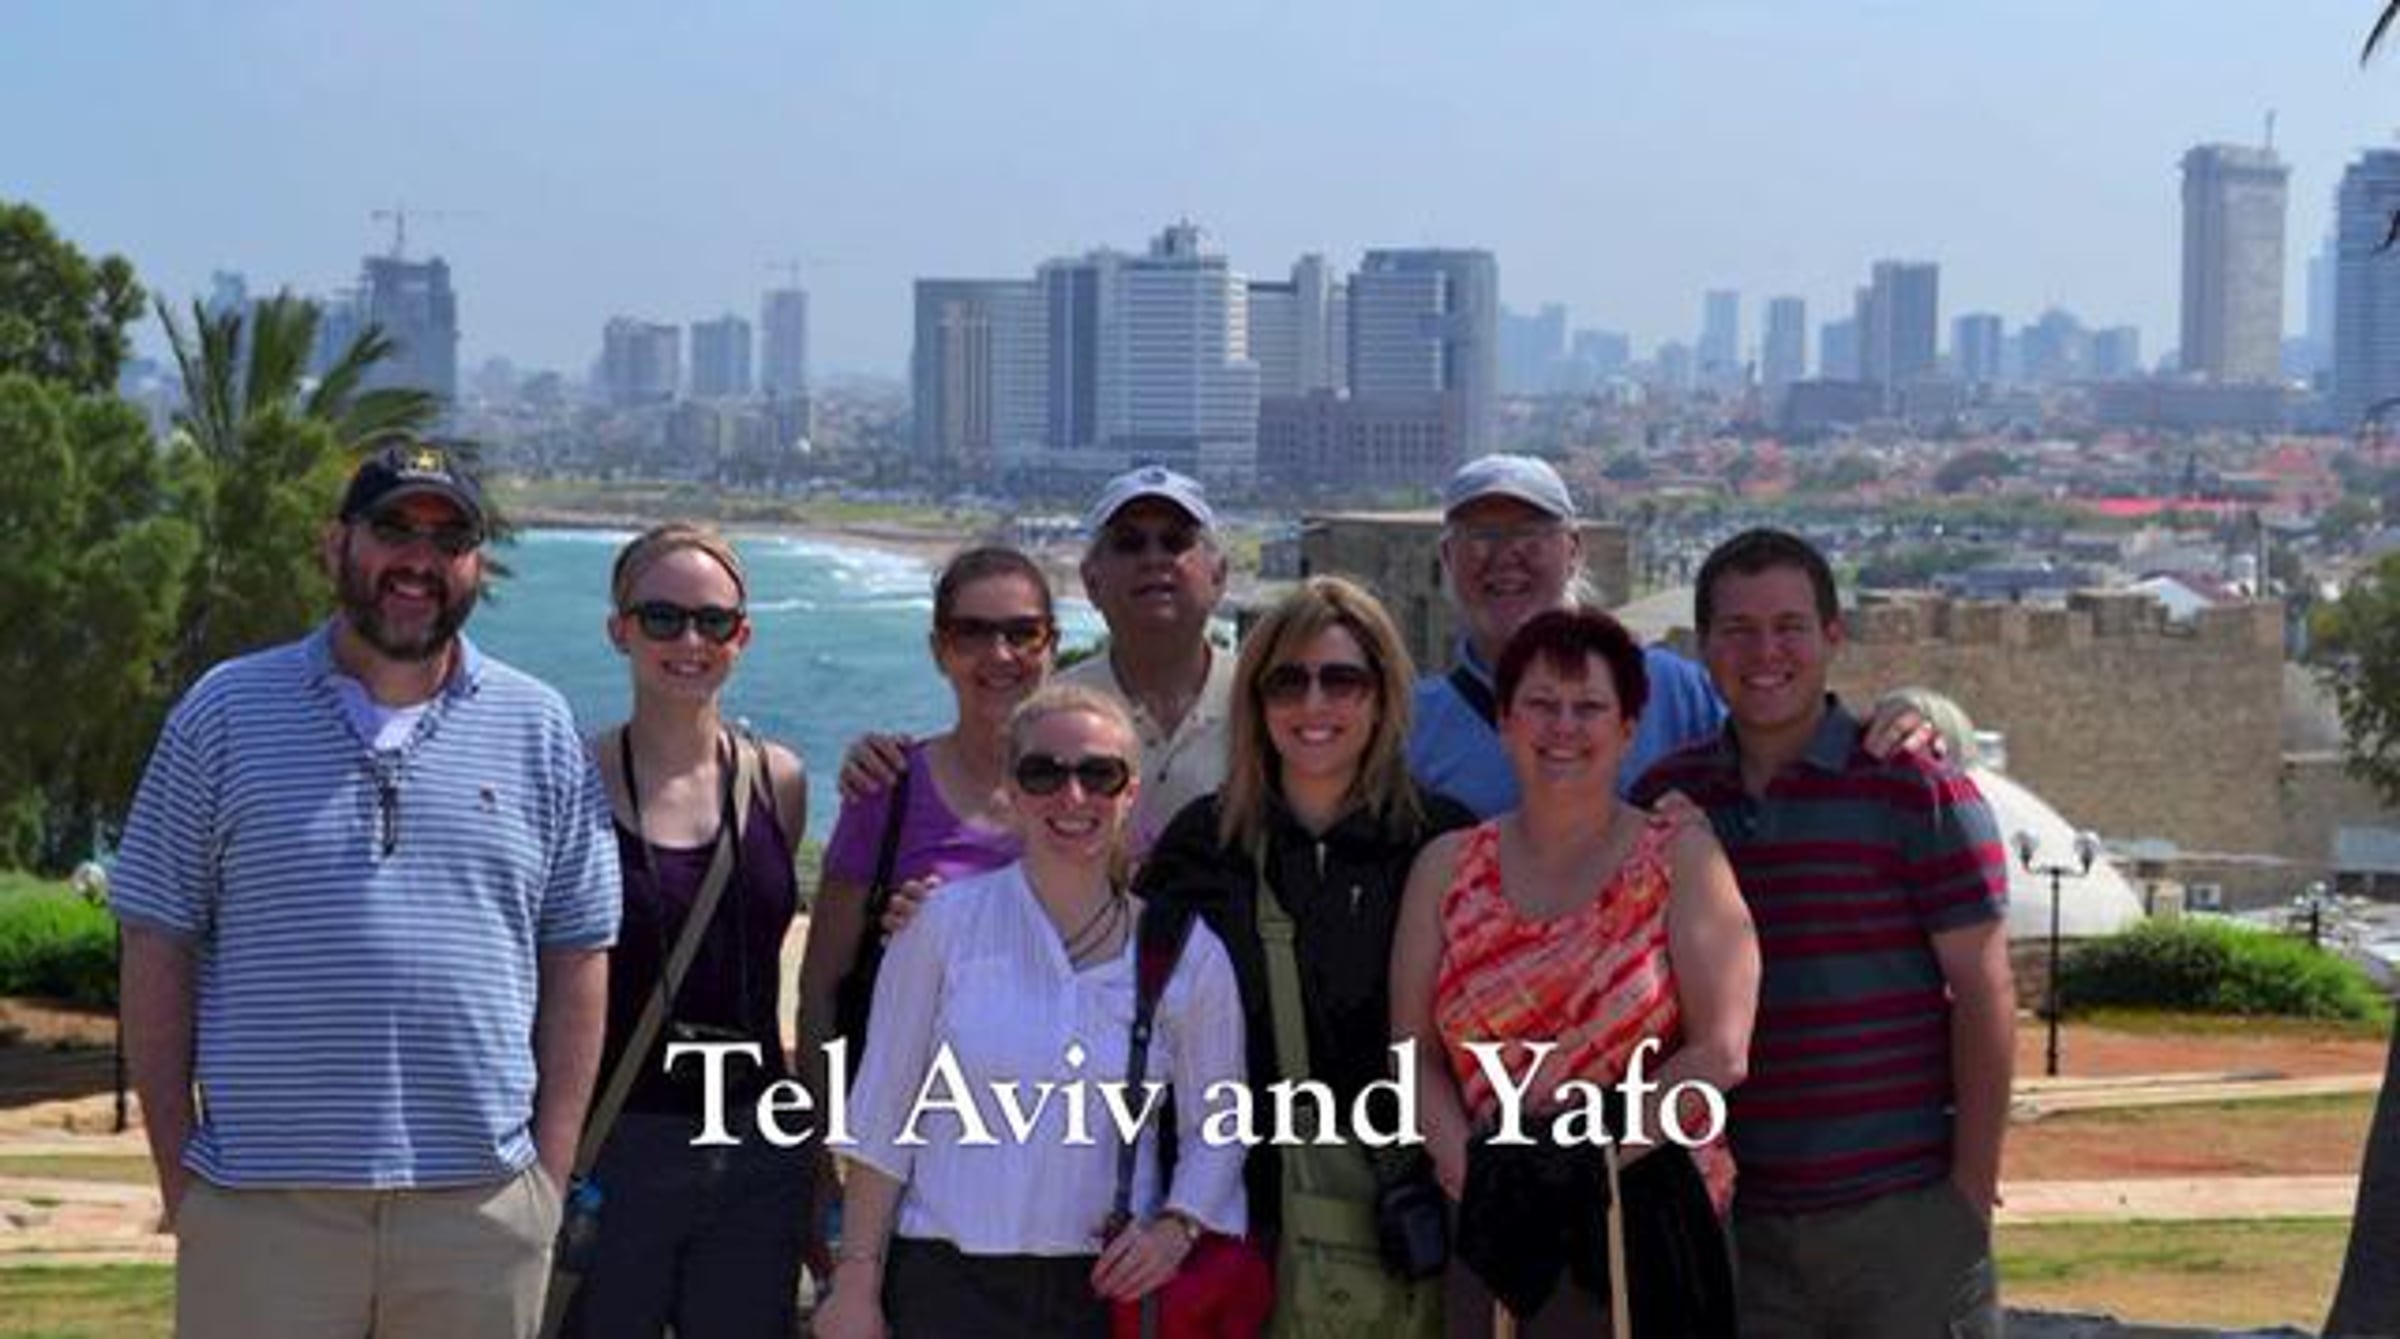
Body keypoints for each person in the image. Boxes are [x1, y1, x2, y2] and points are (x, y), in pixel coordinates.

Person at [111, 442, 619, 1339]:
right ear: (335, 543)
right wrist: (180, 1179)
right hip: (263, 1211)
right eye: (394, 528)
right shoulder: (224, 712)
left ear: (476, 564)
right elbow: (157, 939)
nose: (419, 559)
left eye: (449, 538)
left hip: (479, 1214)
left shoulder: (538, 726)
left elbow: (578, 951)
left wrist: (545, 1178)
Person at [1629, 527, 2015, 1339]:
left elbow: (1984, 993)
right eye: (1738, 629)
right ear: (1705, 646)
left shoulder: (1914, 787)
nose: (1764, 651)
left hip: (1899, 1218)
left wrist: (1968, 1200)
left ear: (1832, 636)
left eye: (1789, 627)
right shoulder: (1670, 800)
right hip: (1738, 1222)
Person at [814, 683, 1248, 1339]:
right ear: (1013, 792)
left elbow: (1218, 1125)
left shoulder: (1186, 953)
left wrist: (1176, 1228)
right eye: (1043, 773)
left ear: (1130, 793)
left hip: (1107, 1293)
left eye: (1099, 774)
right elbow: (884, 1116)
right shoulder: (938, 926)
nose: (1073, 796)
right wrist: (856, 1281)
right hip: (943, 1285)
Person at [1393, 606, 1757, 1338]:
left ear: (1628, 727)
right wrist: (1477, 1171)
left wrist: (1581, 1164)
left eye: (1589, 706)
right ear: (1504, 722)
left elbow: (1722, 1050)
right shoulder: (1446, 867)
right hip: (1497, 1232)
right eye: (1540, 704)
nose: (1564, 726)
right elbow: (1411, 1052)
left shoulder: (1680, 857)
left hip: (1648, 1227)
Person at [1137, 575, 1471, 1335]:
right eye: (1287, 681)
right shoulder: (1202, 845)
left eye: (1341, 680)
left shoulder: (1443, 842)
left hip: (1399, 1233)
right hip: (1231, 1232)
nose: (1313, 704)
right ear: (1256, 700)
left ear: (1383, 695)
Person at [555, 524, 810, 1338]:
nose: (689, 641)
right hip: (613, 1145)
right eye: (662, 618)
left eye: (713, 620)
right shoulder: (571, 781)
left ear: (743, 635)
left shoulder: (778, 781)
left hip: (755, 1146)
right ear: (619, 629)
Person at [1406, 454, 1934, 818]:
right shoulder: (1413, 723)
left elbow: (1782, 746)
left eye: (1528, 534)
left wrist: (1889, 726)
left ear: (1573, 551)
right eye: (1481, 537)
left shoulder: (1670, 690)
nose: (1505, 556)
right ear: (1448, 557)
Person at [794, 545, 1056, 1258]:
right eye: (972, 632)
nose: (998, 654)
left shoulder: (1090, 798)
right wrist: (822, 1155)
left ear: (1050, 644)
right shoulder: (889, 790)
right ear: (940, 649)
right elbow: (821, 988)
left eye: (1022, 632)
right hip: (907, 1172)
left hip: (1057, 1162)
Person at [840, 466, 1234, 854]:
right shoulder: (1045, 713)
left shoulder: (1260, 699)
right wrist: (882, 764)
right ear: (1091, 582)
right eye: (1129, 543)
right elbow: (967, 775)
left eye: (1175, 541)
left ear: (1218, 576)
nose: (1153, 558)